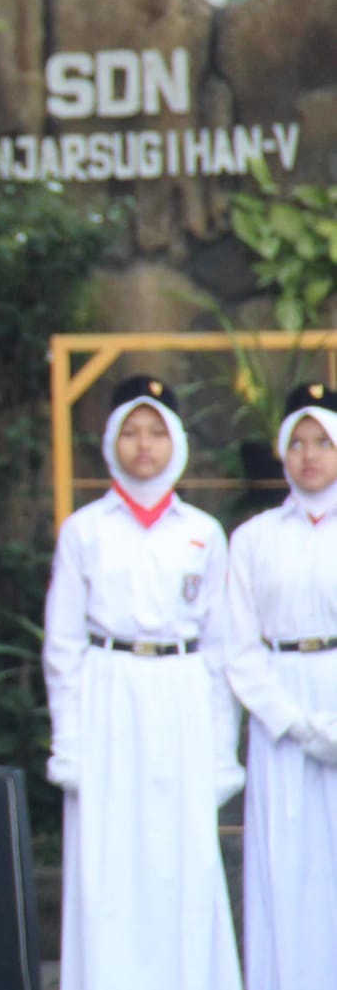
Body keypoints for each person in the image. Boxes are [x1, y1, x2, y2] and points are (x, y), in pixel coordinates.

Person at [43, 375, 242, 990]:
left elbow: (221, 650)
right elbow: (63, 646)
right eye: (130, 430)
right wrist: (69, 742)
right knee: (108, 859)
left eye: (156, 430)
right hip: (109, 691)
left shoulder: (204, 532)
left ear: (177, 441)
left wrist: (219, 750)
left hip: (180, 693)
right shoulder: (84, 530)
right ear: (110, 440)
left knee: (181, 859)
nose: (143, 444)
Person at [225, 382, 337, 989]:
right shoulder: (253, 539)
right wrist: (291, 721)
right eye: (297, 442)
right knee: (284, 865)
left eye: (323, 441)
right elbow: (237, 648)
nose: (310, 455)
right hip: (280, 716)